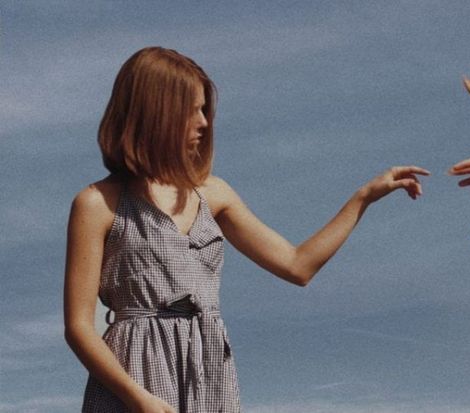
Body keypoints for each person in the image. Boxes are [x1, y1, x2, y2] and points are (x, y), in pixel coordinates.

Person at [63, 46, 429, 413]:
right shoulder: (97, 204)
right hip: (134, 380)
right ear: (158, 113)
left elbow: (297, 265)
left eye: (205, 110)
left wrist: (363, 198)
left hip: (210, 374)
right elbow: (79, 327)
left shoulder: (214, 194)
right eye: (193, 111)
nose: (205, 123)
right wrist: (137, 398)